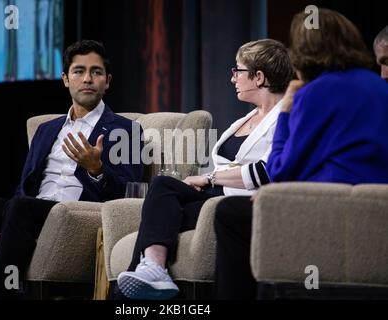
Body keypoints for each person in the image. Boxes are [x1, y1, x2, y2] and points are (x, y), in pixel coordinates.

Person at [0, 40, 143, 300]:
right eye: (79, 71)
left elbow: (129, 194)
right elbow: (25, 185)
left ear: (108, 81)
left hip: (74, 213)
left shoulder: (126, 130)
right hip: (29, 209)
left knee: (21, 206)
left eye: (96, 72)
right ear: (66, 79)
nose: (88, 79)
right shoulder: (47, 128)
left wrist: (97, 168)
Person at [214, 8, 388, 300]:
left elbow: (280, 171)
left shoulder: (314, 93)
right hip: (376, 211)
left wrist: (286, 111)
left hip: (332, 209)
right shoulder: (379, 88)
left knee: (229, 214)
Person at [116, 39, 294, 300]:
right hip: (215, 195)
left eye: (238, 71)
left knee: (161, 211)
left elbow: (266, 171)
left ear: (259, 77)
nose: (233, 78)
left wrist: (209, 177)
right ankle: (152, 270)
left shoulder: (285, 117)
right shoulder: (244, 119)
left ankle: (136, 287)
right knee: (163, 187)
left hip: (239, 204)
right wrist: (207, 180)